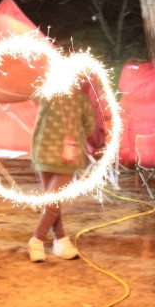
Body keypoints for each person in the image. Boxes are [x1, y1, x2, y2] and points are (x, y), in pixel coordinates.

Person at [28, 83, 96, 263]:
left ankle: (49, 240)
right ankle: (43, 240)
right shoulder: (48, 92)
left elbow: (90, 125)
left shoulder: (76, 97)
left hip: (64, 156)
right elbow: (88, 126)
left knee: (52, 201)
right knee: (53, 202)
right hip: (46, 154)